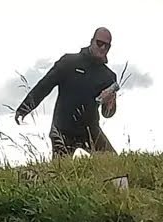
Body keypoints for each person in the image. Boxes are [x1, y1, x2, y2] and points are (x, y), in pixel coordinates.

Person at [14, 27, 119, 158]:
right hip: (63, 129)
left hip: (90, 130)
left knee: (113, 162)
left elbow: (107, 114)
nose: (103, 48)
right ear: (92, 41)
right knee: (61, 172)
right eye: (99, 43)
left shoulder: (108, 76)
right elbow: (45, 85)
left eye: (107, 46)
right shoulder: (69, 62)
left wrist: (111, 104)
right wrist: (24, 108)